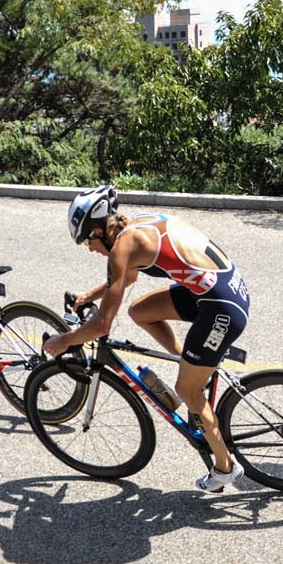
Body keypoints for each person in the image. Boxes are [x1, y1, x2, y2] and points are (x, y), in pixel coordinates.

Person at [44, 186, 248, 491]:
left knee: (186, 391)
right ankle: (190, 362)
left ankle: (224, 468)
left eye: (88, 240)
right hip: (220, 291)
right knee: (141, 311)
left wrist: (65, 340)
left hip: (221, 308)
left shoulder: (119, 249)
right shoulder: (135, 227)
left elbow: (102, 326)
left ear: (100, 230)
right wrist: (89, 295)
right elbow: (130, 277)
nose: (89, 248)